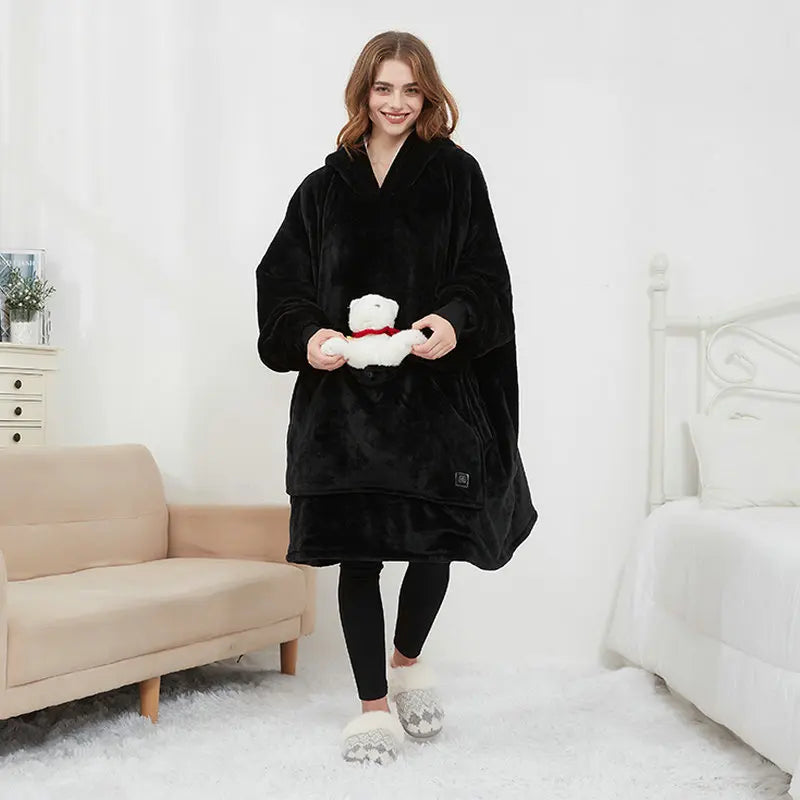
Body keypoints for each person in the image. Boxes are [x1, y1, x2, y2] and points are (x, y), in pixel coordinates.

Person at [255, 30, 538, 765]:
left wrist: (454, 320)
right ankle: (373, 708)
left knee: (432, 544)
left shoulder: (455, 175)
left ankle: (408, 660)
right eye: (384, 88)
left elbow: (486, 275)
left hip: (432, 401)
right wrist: (309, 335)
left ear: (428, 95)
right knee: (359, 554)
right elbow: (281, 284)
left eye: (411, 90)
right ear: (363, 92)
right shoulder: (323, 189)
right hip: (343, 410)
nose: (397, 103)